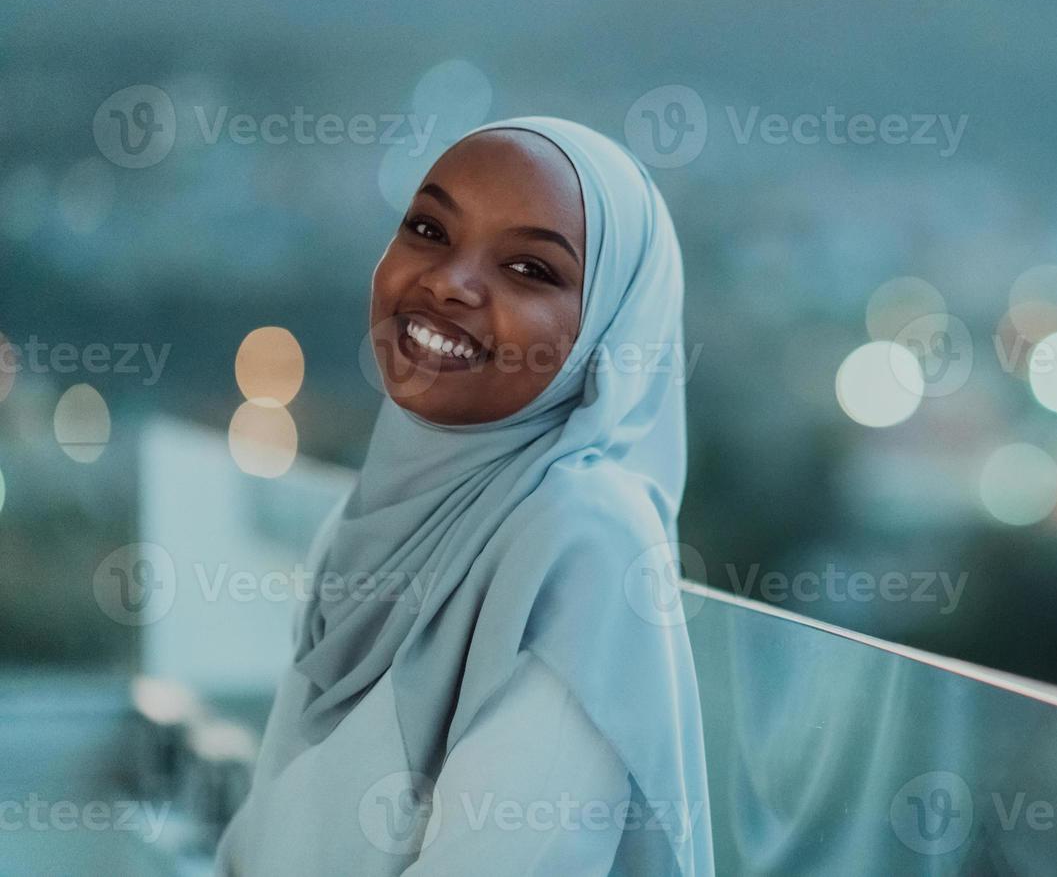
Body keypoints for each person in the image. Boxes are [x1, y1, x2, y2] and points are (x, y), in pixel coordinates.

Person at [214, 117, 713, 876]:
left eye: (530, 270)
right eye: (428, 228)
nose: (448, 280)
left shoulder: (587, 536)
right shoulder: (374, 514)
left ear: (606, 339)